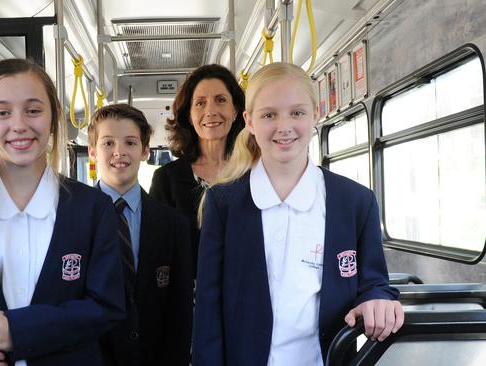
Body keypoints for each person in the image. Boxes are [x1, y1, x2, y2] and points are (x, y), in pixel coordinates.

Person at [192, 62, 404, 366]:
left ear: (315, 115)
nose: (284, 126)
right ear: (249, 121)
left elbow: (373, 281)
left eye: (297, 112)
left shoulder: (355, 202)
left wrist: (378, 300)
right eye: (269, 115)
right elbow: (208, 310)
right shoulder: (224, 203)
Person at [0, 58, 125, 366]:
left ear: (53, 118)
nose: (19, 125)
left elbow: (107, 306)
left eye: (33, 110)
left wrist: (18, 330)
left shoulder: (92, 208)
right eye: (2, 113)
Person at [88, 104, 193, 366]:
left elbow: (180, 315)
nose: (119, 152)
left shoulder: (173, 224)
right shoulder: (71, 219)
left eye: (130, 142)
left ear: (145, 151)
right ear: (92, 151)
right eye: (108, 143)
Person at [149, 64, 245, 276]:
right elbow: (157, 252)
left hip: (243, 295)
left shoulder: (252, 173)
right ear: (189, 116)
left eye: (221, 100)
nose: (210, 111)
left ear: (236, 110)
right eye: (200, 103)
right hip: (186, 299)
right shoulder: (167, 179)